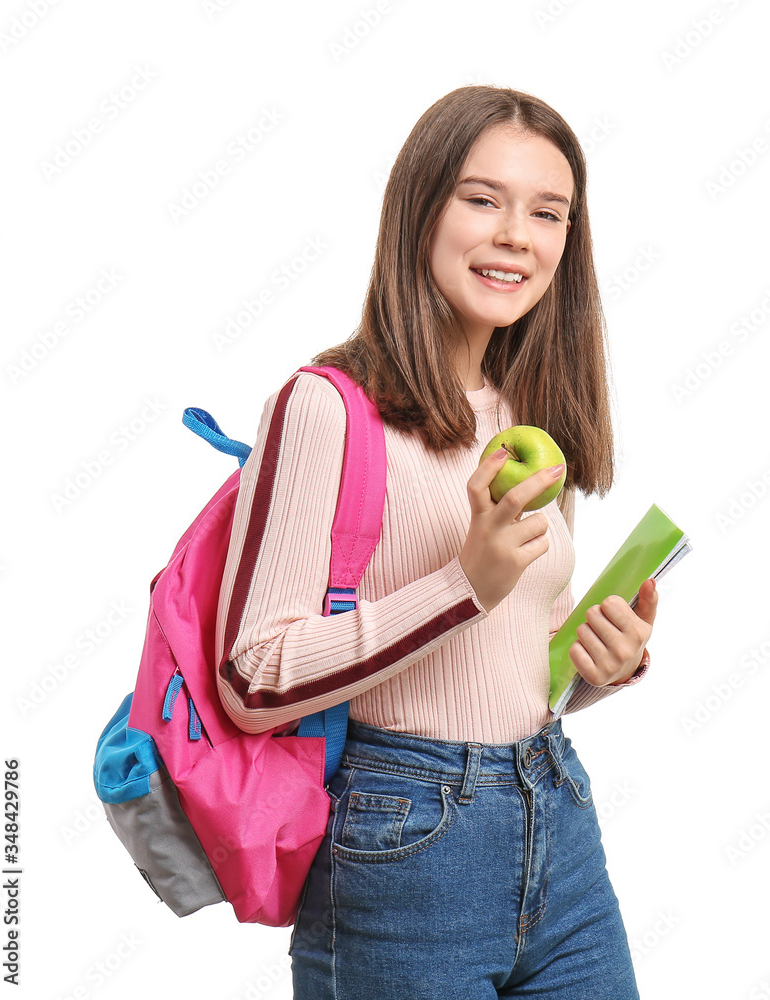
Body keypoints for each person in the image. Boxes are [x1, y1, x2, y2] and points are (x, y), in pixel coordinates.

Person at [214, 84, 657, 999]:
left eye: (548, 213)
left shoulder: (531, 412)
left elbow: (512, 667)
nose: (516, 236)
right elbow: (252, 679)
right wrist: (463, 583)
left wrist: (596, 667)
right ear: (419, 209)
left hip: (558, 819)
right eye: (482, 199)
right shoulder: (327, 407)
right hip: (401, 845)